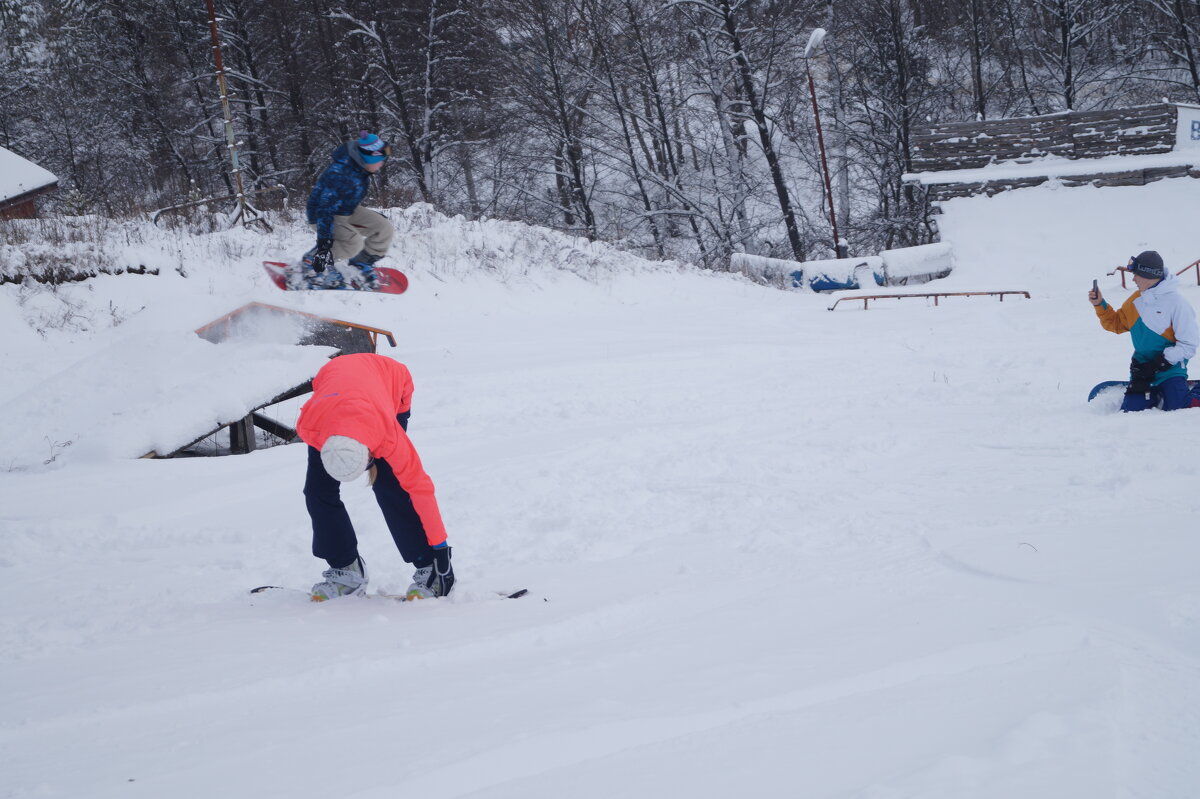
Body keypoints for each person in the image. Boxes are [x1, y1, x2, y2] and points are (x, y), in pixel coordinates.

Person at [295, 353, 455, 601]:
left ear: (370, 454)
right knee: (317, 491)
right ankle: (346, 569)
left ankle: (429, 566)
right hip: (334, 390)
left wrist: (440, 548)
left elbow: (420, 487)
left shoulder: (387, 435)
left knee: (391, 485)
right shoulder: (310, 426)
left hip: (390, 380)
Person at [1089, 250, 1198, 412]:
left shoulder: (1177, 304)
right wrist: (1099, 304)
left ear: (1148, 275)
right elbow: (1115, 324)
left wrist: (1160, 363)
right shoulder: (1135, 300)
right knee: (1132, 411)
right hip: (1142, 370)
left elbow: (1189, 345)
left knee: (1179, 408)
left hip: (1171, 369)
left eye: (1136, 274)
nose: (1132, 278)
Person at [303, 131, 394, 289]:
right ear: (368, 158)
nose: (382, 164)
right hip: (322, 214)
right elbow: (325, 209)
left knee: (383, 228)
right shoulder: (340, 174)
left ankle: (360, 263)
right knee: (353, 243)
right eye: (379, 160)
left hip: (345, 210)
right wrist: (324, 244)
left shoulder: (360, 167)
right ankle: (311, 263)